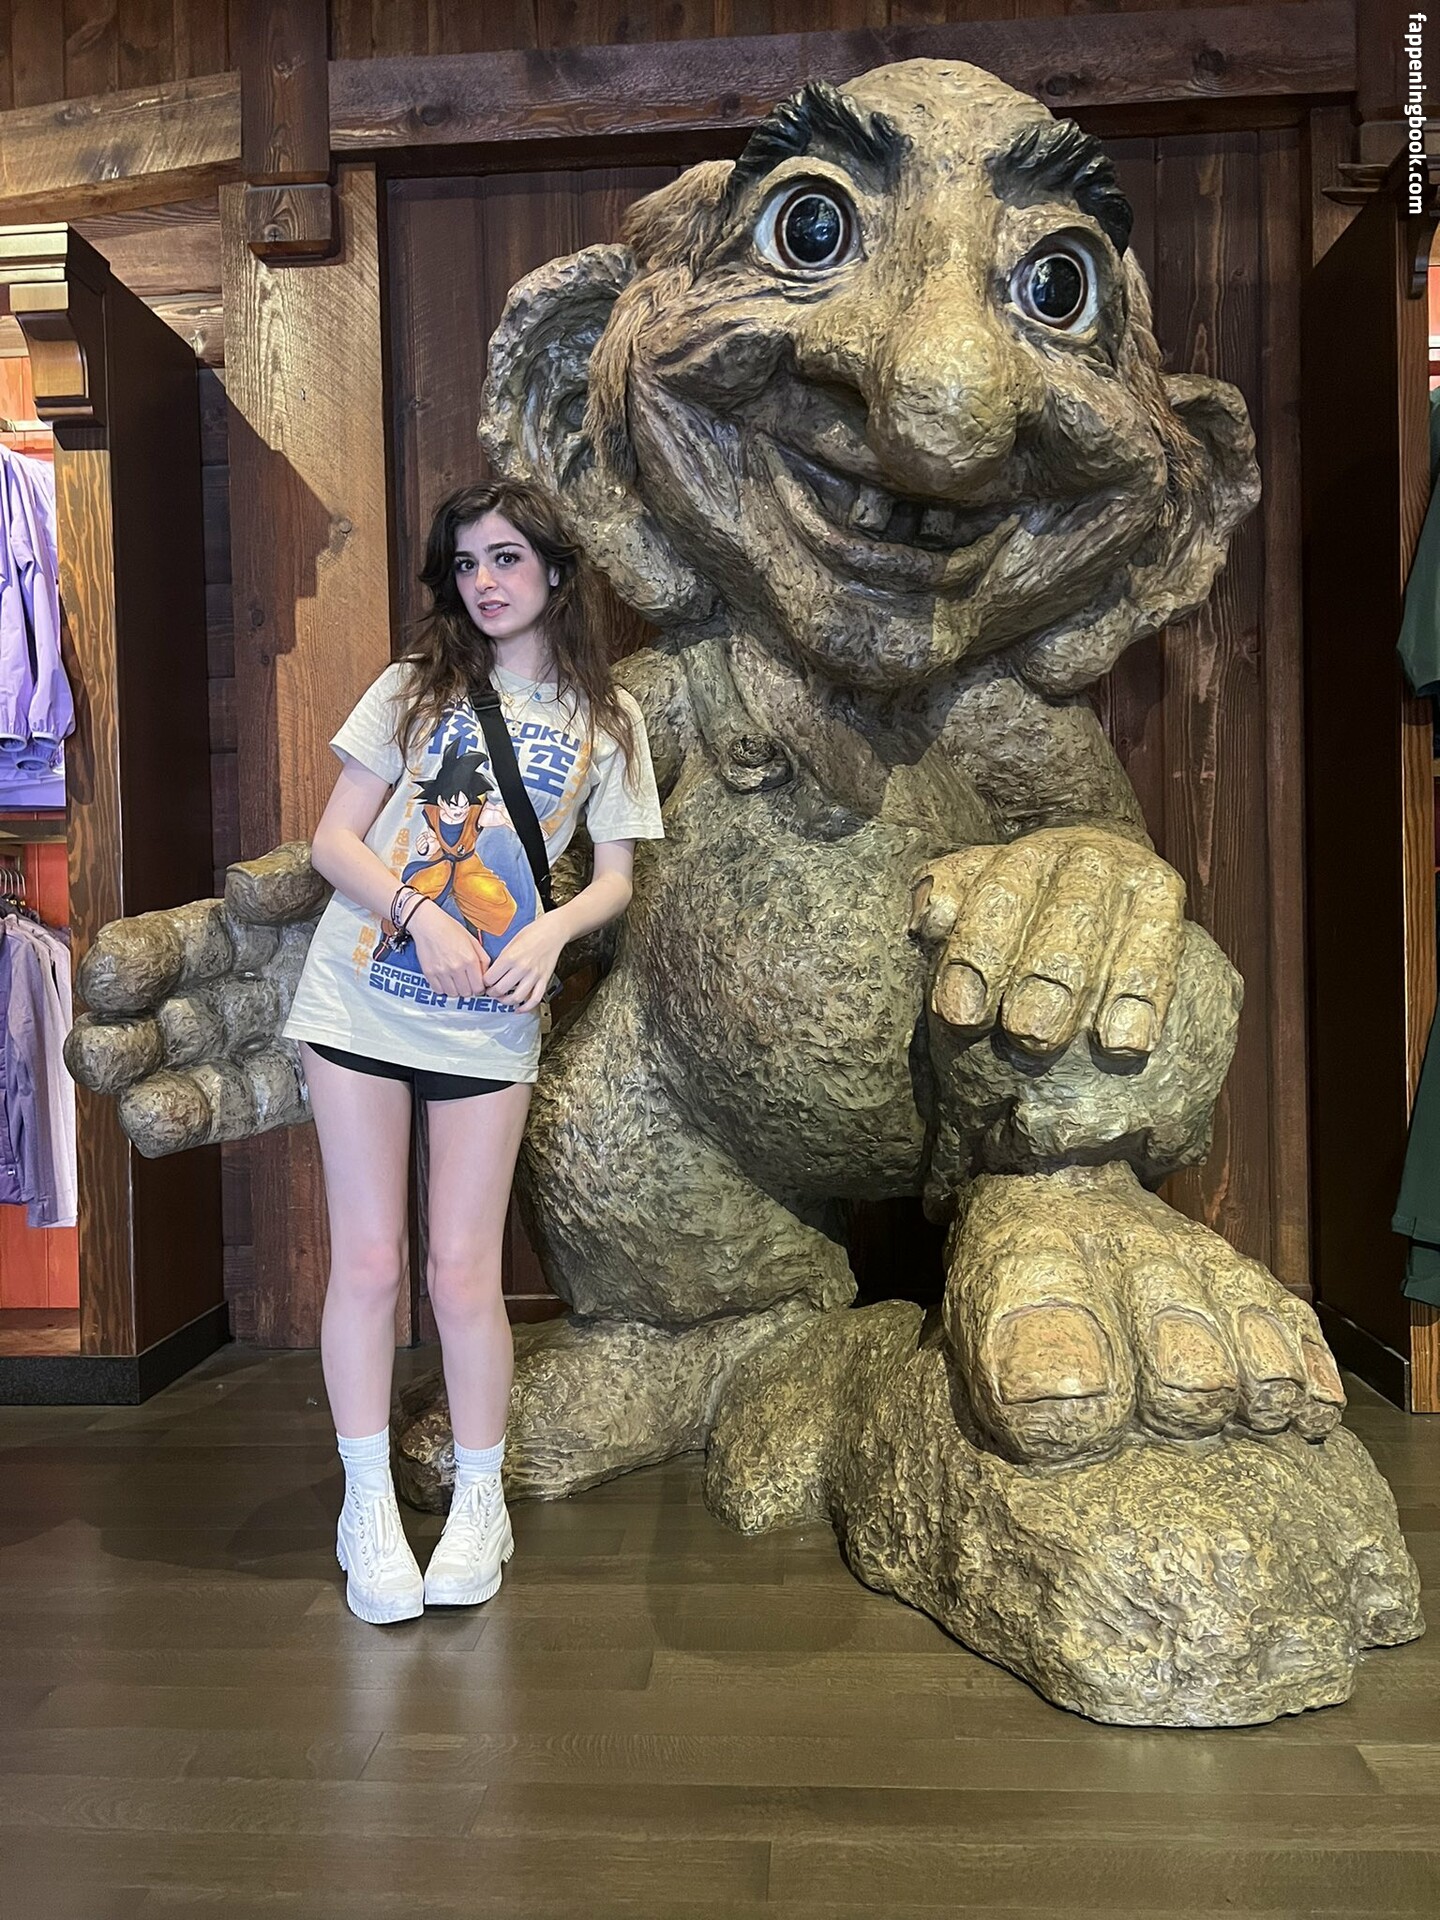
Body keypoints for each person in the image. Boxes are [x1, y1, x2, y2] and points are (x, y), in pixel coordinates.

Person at [281, 479, 665, 1625]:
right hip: (361, 996)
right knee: (369, 1263)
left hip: (492, 1013)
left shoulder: (609, 719)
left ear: (555, 570)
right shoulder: (415, 686)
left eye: (506, 558)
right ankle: (367, 1509)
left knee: (461, 1270)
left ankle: (479, 1505)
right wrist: (421, 913)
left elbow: (615, 879)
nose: (486, 582)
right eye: (466, 563)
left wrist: (549, 931)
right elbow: (334, 840)